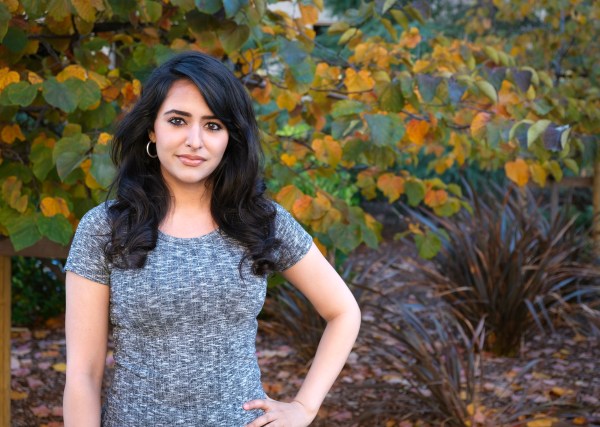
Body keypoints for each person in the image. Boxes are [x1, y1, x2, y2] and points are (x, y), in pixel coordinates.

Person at [62, 51, 361, 426]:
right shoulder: (105, 228)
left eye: (213, 125)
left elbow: (344, 312)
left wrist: (304, 407)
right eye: (177, 121)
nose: (194, 141)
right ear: (152, 130)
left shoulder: (260, 221)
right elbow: (83, 377)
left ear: (229, 138)